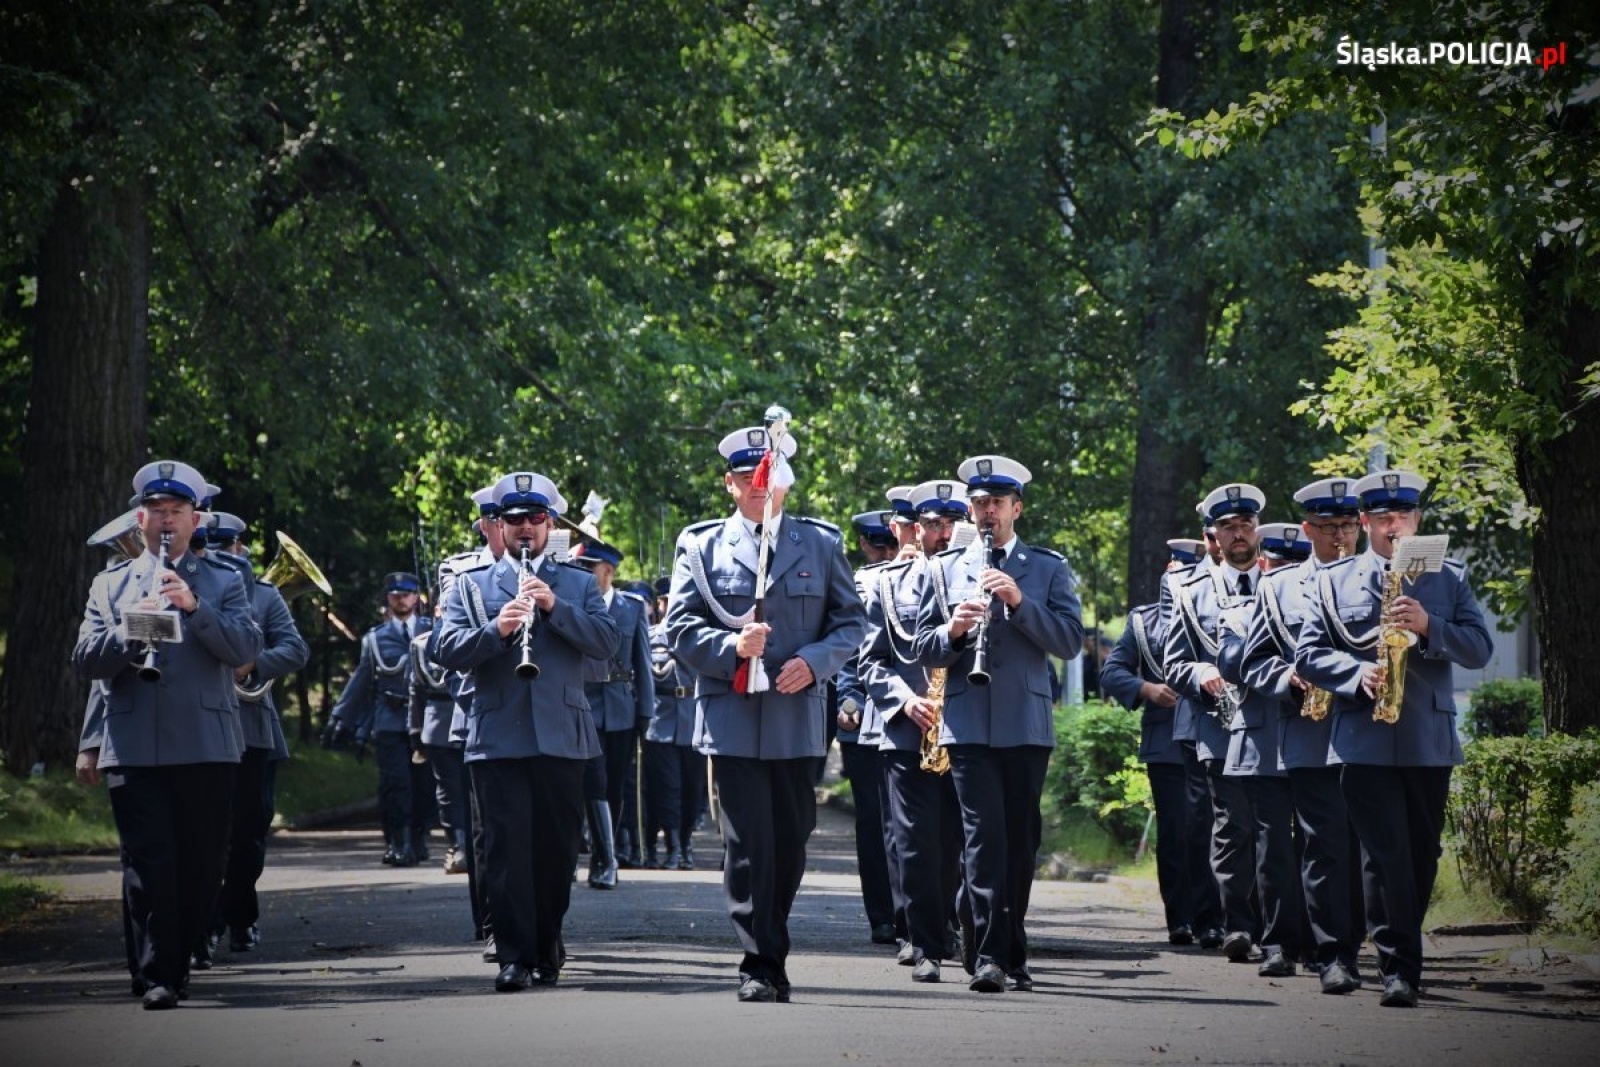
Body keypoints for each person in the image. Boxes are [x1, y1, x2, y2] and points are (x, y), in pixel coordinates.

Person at [665, 421, 865, 1004]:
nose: (760, 487)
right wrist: (731, 648)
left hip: (796, 715)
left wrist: (815, 661)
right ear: (730, 485)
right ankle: (759, 962)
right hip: (731, 716)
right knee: (748, 842)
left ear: (782, 483)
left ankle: (770, 941)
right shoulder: (701, 546)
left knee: (791, 840)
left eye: (768, 476)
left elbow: (849, 623)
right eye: (748, 479)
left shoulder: (821, 544)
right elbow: (678, 628)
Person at [1295, 469, 1492, 1007]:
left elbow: (1479, 649)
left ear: (1417, 520)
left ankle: (1399, 948)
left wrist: (1430, 625)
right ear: (1365, 522)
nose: (1393, 526)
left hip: (1428, 736)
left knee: (1422, 856)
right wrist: (1355, 675)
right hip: (1362, 738)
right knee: (1383, 856)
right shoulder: (1335, 580)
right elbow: (1309, 654)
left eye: (1402, 516)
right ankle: (1399, 970)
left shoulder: (1448, 578)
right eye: (1382, 518)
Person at [73, 460, 263, 1010]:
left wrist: (193, 607)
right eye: (156, 512)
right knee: (147, 863)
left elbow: (244, 650)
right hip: (135, 744)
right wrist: (135, 626)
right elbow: (86, 659)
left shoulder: (226, 581)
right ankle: (158, 972)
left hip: (206, 743)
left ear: (194, 519)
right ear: (140, 517)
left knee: (202, 863)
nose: (165, 521)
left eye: (176, 512)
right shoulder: (110, 585)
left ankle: (177, 962)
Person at [434, 470, 619, 991]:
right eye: (514, 519)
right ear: (500, 524)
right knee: (506, 852)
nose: (525, 528)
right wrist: (497, 630)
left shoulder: (579, 583)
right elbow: (445, 649)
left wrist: (554, 608)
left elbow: (606, 643)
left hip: (562, 734)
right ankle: (513, 956)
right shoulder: (472, 585)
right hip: (497, 737)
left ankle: (546, 946)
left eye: (535, 519)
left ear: (549, 525)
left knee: (556, 852)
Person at [911, 455, 1084, 994]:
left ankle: (1011, 947)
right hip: (966, 723)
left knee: (1019, 841)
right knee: (983, 840)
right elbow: (921, 647)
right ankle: (989, 954)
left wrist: (1019, 601)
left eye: (998, 503)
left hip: (1026, 724)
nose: (988, 512)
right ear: (971, 509)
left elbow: (1070, 641)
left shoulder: (1049, 568)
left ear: (1017, 508)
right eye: (980, 503)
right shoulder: (942, 568)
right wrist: (955, 632)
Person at [1239, 477, 1368, 995]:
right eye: (1329, 527)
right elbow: (1253, 660)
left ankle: (1366, 944)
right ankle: (1331, 954)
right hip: (1310, 730)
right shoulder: (1279, 585)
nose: (1341, 536)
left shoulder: (1379, 576)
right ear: (1308, 529)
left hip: (1369, 731)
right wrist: (1285, 679)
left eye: (1347, 525)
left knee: (1366, 850)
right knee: (1323, 846)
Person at [858, 478, 970, 983]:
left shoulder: (978, 579)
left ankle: (961, 928)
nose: (942, 533)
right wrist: (905, 702)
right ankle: (924, 943)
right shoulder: (888, 584)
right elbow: (869, 661)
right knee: (916, 842)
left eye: (951, 523)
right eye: (932, 524)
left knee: (965, 842)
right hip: (909, 731)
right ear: (916, 529)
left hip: (968, 729)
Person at [1163, 483, 1266, 964]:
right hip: (1220, 726)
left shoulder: (1285, 580)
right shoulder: (1190, 590)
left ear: (1257, 528)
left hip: (1277, 724)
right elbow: (1174, 662)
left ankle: (1283, 928)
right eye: (1228, 527)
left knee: (1276, 830)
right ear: (1215, 536)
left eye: (1245, 524)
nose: (1238, 534)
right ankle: (1238, 925)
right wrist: (1203, 674)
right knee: (1231, 827)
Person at [204, 512, 309, 957]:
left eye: (235, 546)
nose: (237, 553)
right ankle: (206, 922)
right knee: (209, 831)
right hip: (205, 726)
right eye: (225, 546)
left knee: (249, 831)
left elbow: (296, 648)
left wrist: (253, 664)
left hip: (252, 728)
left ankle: (241, 917)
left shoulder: (264, 596)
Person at [1216, 520, 1310, 978]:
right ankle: (1277, 943)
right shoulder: (1239, 612)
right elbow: (1232, 662)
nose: (1286, 572)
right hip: (1262, 743)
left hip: (1314, 739)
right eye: (1278, 563)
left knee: (1320, 847)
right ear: (1264, 562)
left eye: (1297, 563)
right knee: (1272, 851)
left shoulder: (1318, 603)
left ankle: (1321, 940)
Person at [1098, 593, 1192, 945]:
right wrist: (1146, 688)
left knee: (1220, 832)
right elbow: (1112, 672)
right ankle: (1181, 917)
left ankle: (1223, 918)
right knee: (1176, 833)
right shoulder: (1146, 620)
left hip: (1220, 738)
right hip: (1167, 741)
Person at [325, 571, 435, 866]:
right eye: (396, 594)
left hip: (425, 721)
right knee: (395, 784)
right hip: (390, 720)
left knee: (423, 785)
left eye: (408, 594)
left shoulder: (433, 630)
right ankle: (397, 842)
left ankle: (419, 838)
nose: (402, 599)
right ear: (388, 598)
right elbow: (360, 681)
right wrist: (340, 718)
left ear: (416, 596)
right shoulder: (375, 639)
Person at [836, 507, 903, 948]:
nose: (884, 553)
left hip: (912, 712)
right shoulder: (852, 587)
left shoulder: (918, 576)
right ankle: (882, 914)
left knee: (910, 824)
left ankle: (916, 912)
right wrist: (849, 695)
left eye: (890, 546)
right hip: (863, 716)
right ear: (863, 546)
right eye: (877, 546)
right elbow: (845, 645)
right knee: (874, 821)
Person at [575, 538, 655, 887]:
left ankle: (601, 855)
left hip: (621, 708)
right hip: (584, 705)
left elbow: (644, 664)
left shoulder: (632, 608)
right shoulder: (575, 605)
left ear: (606, 571)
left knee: (616, 787)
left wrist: (646, 712)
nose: (582, 574)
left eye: (587, 568)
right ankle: (607, 861)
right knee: (594, 781)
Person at [642, 576, 704, 869]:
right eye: (666, 601)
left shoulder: (698, 634)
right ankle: (673, 847)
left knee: (693, 788)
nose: (669, 606)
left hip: (692, 719)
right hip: (662, 720)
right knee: (668, 789)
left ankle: (688, 843)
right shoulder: (652, 635)